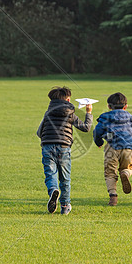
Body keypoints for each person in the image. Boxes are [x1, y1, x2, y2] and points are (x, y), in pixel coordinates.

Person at [37, 86, 92, 215]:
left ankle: (53, 190)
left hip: (47, 146)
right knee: (65, 178)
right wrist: (88, 112)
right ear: (67, 99)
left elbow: (39, 132)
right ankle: (65, 205)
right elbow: (86, 128)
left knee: (50, 174)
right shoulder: (70, 113)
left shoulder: (48, 113)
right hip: (64, 147)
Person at [93, 92, 132, 206]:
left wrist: (99, 142)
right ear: (126, 106)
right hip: (128, 147)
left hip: (112, 147)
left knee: (110, 172)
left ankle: (113, 196)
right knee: (128, 167)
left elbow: (97, 132)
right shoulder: (129, 117)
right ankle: (125, 173)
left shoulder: (105, 117)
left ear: (109, 106)